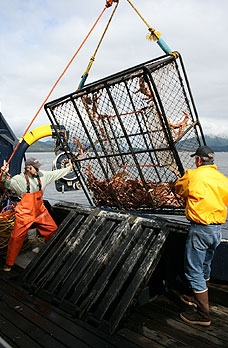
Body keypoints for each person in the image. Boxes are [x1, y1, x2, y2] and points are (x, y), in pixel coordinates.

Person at [175, 145, 228, 326]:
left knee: (193, 271)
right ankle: (193, 296)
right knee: (205, 265)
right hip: (216, 231)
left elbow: (179, 189)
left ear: (198, 160)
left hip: (200, 230)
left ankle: (203, 315)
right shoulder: (223, 179)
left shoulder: (193, 174)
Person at [0, 157, 73, 272]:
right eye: (35, 168)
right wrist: (3, 174)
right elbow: (5, 183)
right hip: (24, 215)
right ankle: (9, 264)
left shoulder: (43, 176)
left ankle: (59, 255)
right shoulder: (18, 180)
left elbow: (56, 173)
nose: (38, 170)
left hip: (40, 212)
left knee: (53, 230)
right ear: (28, 168)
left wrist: (69, 169)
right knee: (15, 238)